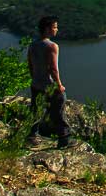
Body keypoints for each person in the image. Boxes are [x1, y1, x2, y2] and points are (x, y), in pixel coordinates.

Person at [26, 15, 72, 148]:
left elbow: (30, 64)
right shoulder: (52, 46)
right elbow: (53, 68)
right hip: (50, 85)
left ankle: (32, 136)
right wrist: (59, 85)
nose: (57, 30)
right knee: (58, 112)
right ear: (47, 29)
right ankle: (64, 140)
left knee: (35, 111)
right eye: (55, 27)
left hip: (36, 84)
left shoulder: (33, 45)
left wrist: (34, 78)